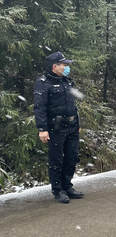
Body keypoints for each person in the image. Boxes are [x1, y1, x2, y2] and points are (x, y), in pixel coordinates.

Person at [34, 52, 84, 204]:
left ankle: (67, 186)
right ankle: (58, 190)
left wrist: (78, 124)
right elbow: (40, 107)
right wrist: (42, 129)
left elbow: (73, 105)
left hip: (72, 126)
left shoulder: (66, 81)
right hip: (56, 128)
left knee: (71, 157)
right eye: (65, 65)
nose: (67, 67)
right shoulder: (43, 83)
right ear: (55, 66)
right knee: (56, 160)